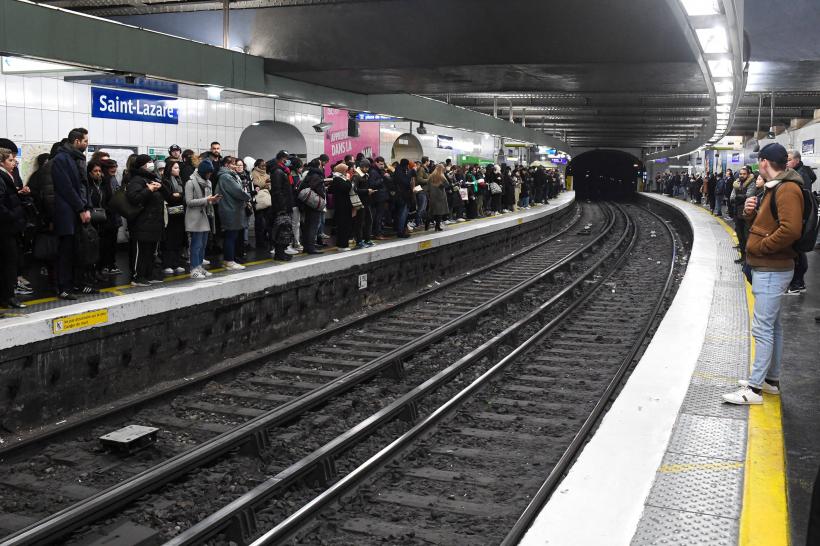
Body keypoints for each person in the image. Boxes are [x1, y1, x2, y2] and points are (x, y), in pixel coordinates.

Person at [723, 143, 804, 405]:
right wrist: (750, 215)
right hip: (771, 267)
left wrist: (760, 247)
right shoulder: (773, 188)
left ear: (765, 162)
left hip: (772, 267)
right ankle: (770, 381)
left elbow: (790, 230)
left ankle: (755, 389)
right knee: (773, 326)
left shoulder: (787, 188)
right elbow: (769, 223)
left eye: (759, 162)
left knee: (762, 328)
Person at [51, 128, 92, 300]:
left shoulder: (76, 159)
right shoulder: (61, 159)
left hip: (75, 211)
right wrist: (81, 209)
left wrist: (86, 206)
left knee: (77, 250)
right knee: (66, 251)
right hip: (67, 212)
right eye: (85, 141)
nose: (86, 144)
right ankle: (64, 287)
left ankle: (75, 284)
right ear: (76, 141)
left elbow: (83, 186)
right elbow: (66, 188)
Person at [126, 154, 170, 286]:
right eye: (149, 162)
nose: (152, 164)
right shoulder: (136, 180)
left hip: (154, 222)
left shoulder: (153, 178)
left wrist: (161, 187)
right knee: (141, 251)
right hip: (141, 223)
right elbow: (134, 198)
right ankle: (137, 276)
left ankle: (147, 274)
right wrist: (149, 190)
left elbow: (169, 196)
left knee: (151, 251)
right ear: (142, 165)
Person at [785, 150, 816, 294]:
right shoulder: (798, 173)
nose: (787, 162)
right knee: (798, 251)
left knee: (797, 251)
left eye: (789, 159)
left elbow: (801, 199)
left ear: (797, 160)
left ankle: (797, 283)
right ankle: (798, 282)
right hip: (801, 218)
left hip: (801, 218)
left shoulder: (800, 175)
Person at [0, 148, 27, 308]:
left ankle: (6, 296)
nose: (14, 162)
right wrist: (13, 216)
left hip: (8, 227)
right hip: (6, 228)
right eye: (10, 160)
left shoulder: (6, 176)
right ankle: (8, 297)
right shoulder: (2, 176)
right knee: (9, 263)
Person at [185, 160, 219, 279]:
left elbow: (208, 199)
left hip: (206, 215)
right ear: (203, 172)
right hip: (195, 217)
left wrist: (214, 200)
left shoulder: (208, 182)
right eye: (208, 173)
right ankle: (194, 268)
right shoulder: (190, 182)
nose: (209, 176)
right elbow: (189, 202)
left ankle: (199, 266)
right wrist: (207, 200)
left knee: (203, 244)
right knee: (196, 244)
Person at [216, 156, 251, 270]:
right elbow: (237, 191)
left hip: (231, 208)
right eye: (233, 164)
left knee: (231, 235)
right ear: (227, 165)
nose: (236, 166)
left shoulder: (227, 176)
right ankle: (229, 261)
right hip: (230, 209)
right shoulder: (226, 177)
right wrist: (247, 196)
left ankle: (228, 260)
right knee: (231, 236)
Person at [267, 151, 296, 261]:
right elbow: (277, 191)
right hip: (281, 207)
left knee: (284, 229)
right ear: (282, 159)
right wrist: (282, 207)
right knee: (281, 229)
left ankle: (281, 252)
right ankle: (279, 253)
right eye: (286, 159)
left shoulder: (282, 171)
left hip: (284, 205)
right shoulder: (278, 172)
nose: (288, 161)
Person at [161, 159, 186, 275]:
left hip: (180, 214)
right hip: (170, 215)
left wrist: (178, 195)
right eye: (175, 168)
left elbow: (182, 195)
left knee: (178, 239)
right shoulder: (165, 181)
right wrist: (177, 196)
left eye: (178, 168)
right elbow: (169, 197)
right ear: (169, 169)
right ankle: (167, 264)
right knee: (169, 240)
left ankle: (176, 263)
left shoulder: (179, 180)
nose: (178, 170)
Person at [98, 159, 122, 275]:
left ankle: (111, 265)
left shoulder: (113, 180)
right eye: (111, 167)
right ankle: (105, 266)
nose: (114, 168)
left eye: (115, 166)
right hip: (106, 217)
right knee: (105, 244)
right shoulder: (103, 181)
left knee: (112, 243)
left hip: (114, 216)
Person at [298, 158, 326, 254]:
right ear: (318, 166)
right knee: (313, 226)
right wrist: (322, 194)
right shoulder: (316, 176)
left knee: (308, 225)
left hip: (307, 203)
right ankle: (310, 247)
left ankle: (307, 246)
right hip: (313, 204)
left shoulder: (309, 174)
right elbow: (316, 188)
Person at [328, 163, 355, 250]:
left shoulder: (337, 179)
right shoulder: (339, 179)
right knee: (344, 226)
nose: (347, 172)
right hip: (343, 206)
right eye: (346, 170)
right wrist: (348, 180)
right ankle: (342, 245)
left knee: (344, 225)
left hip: (342, 205)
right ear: (342, 171)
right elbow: (347, 188)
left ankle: (342, 244)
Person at [732, 166, 754, 264]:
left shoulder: (752, 184)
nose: (741, 175)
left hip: (747, 215)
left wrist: (740, 198)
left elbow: (749, 196)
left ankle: (747, 259)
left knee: (746, 237)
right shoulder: (736, 184)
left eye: (744, 174)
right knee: (740, 237)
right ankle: (742, 257)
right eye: (740, 174)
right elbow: (732, 198)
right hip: (737, 213)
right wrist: (740, 198)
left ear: (748, 175)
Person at [426, 164, 449, 232]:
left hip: (432, 196)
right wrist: (441, 186)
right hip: (440, 196)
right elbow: (447, 184)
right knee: (439, 212)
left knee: (431, 211)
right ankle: (437, 227)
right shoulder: (441, 176)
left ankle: (427, 225)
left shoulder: (431, 175)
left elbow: (427, 184)